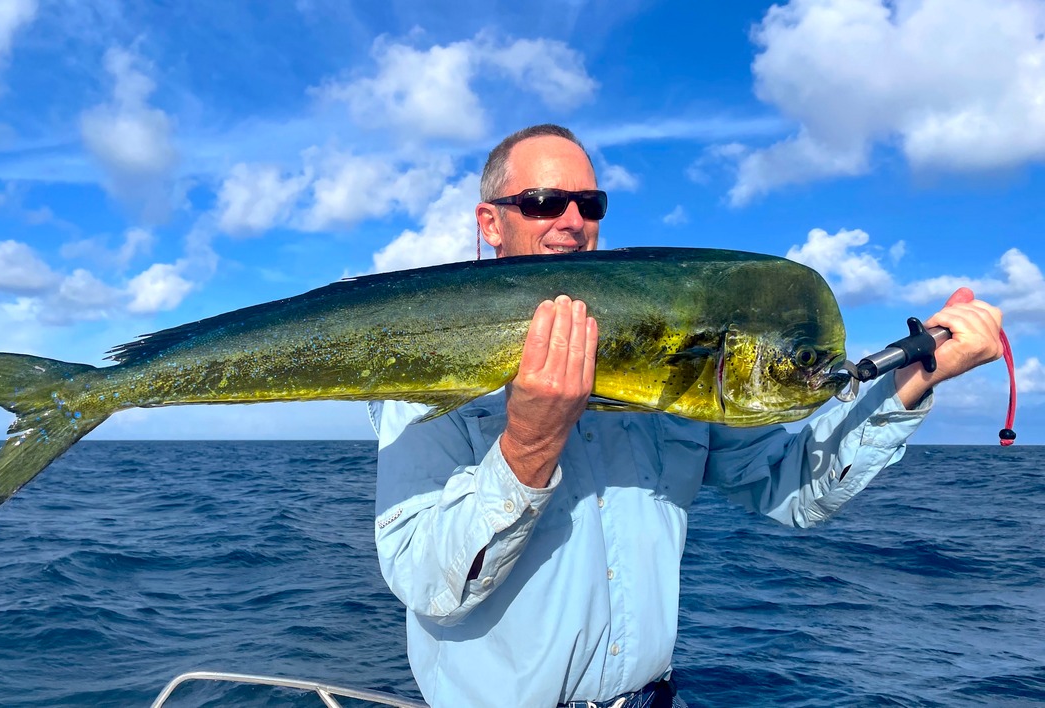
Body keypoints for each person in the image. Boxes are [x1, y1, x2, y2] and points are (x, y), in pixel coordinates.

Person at [369, 124, 1003, 708]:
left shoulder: (675, 359)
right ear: (490, 222)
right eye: (541, 201)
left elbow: (794, 488)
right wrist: (529, 444)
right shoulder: (429, 372)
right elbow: (429, 583)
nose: (570, 221)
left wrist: (913, 379)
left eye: (590, 205)